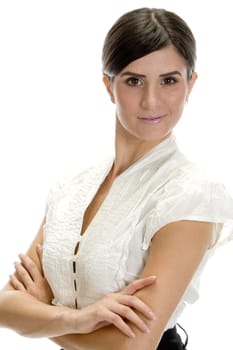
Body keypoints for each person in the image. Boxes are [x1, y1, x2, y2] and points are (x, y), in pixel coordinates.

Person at [1, 6, 233, 350]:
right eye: (133, 80)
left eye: (169, 80)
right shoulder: (71, 187)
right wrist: (75, 319)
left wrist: (41, 317)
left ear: (190, 85)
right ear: (109, 86)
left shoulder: (189, 195)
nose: (151, 100)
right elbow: (5, 306)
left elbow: (133, 346)